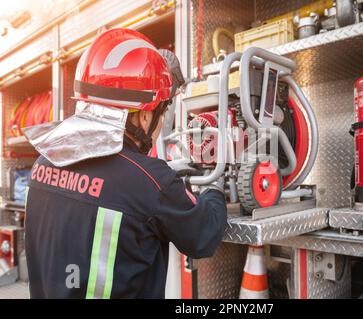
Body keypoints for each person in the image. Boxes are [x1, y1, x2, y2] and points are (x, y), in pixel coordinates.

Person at [24, 28, 227, 299]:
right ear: (144, 116)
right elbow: (204, 236)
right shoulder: (150, 182)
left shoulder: (43, 163)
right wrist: (215, 190)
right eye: (162, 111)